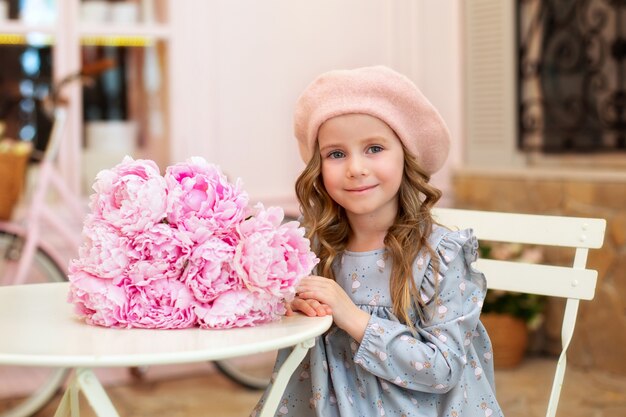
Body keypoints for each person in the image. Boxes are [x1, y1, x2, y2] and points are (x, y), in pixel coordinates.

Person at [251, 66, 503, 417]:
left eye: (374, 148)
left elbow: (443, 369)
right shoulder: (312, 250)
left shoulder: (438, 256)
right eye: (336, 154)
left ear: (406, 156)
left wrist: (351, 316)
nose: (355, 167)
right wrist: (293, 313)